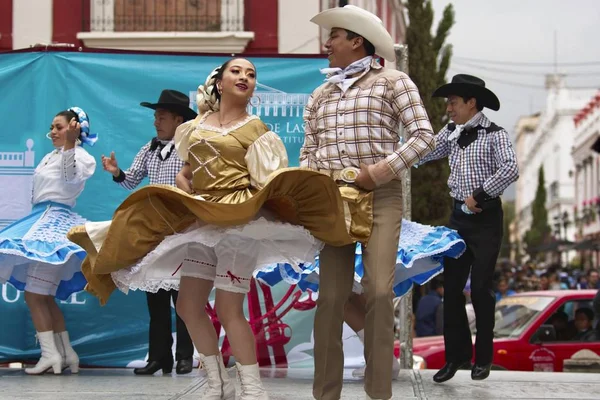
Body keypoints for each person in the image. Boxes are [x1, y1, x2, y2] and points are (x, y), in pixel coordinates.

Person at [68, 58, 359, 400]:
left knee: (227, 308)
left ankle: (252, 388)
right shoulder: (194, 128)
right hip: (203, 218)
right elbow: (187, 171)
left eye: (251, 74)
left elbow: (268, 181)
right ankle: (217, 382)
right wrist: (183, 181)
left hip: (241, 222)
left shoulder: (257, 131)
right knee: (188, 306)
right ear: (219, 83)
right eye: (237, 71)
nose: (245, 77)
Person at [301, 5, 436, 400]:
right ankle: (325, 394)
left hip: (380, 195)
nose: (327, 44)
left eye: (335, 37)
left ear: (356, 41)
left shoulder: (394, 81)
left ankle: (379, 392)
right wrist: (309, 190)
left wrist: (376, 173)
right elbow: (310, 151)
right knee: (331, 296)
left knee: (378, 291)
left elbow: (422, 136)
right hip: (331, 200)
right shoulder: (319, 94)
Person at [255, 219, 466, 378]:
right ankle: (381, 359)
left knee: (341, 296)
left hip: (352, 220)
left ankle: (381, 359)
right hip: (352, 220)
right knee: (353, 295)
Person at [418, 74, 519, 383]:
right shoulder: (451, 132)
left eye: (453, 102)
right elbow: (424, 153)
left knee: (480, 290)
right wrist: (397, 151)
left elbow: (511, 168)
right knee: (451, 291)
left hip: (486, 219)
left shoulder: (495, 134)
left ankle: (482, 358)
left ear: (471, 102)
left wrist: (481, 195)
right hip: (458, 218)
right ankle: (455, 357)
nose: (448, 108)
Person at [100, 89, 196, 376]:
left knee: (183, 298)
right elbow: (131, 181)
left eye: (162, 117)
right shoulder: (149, 149)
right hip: (154, 232)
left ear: (178, 120)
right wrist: (117, 172)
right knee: (155, 299)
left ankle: (184, 357)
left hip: (183, 229)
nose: (156, 122)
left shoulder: (191, 151)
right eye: (155, 117)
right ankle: (159, 357)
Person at [0, 107, 97, 375]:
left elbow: (69, 178)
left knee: (35, 295)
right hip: (41, 218)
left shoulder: (81, 156)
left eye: (59, 127)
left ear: (75, 128)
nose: (53, 132)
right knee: (44, 297)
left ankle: (50, 355)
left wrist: (70, 144)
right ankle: (66, 354)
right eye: (52, 127)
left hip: (54, 225)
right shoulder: (50, 156)